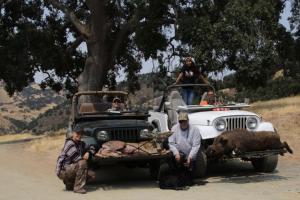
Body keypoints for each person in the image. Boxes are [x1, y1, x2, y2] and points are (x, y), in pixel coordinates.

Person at [56, 127, 95, 194]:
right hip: (63, 171)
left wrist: (88, 152)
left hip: (71, 168)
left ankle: (70, 185)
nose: (79, 135)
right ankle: (78, 188)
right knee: (83, 163)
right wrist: (86, 156)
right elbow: (77, 159)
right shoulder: (70, 143)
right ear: (73, 133)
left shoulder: (80, 143)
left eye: (81, 134)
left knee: (91, 174)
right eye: (77, 133)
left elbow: (92, 147)